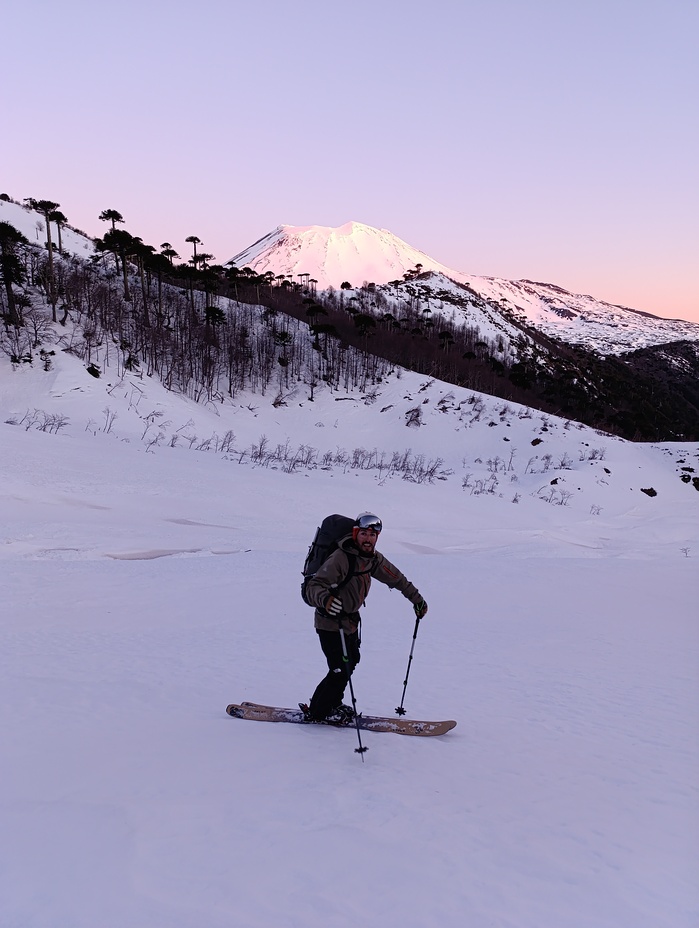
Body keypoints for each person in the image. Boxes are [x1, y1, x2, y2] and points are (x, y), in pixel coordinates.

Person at [301, 512, 428, 723]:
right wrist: (326, 600)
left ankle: (333, 703)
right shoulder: (341, 558)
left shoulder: (372, 559)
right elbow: (314, 586)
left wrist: (416, 600)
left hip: (350, 622)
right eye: (364, 534)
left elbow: (397, 579)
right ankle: (318, 712)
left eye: (373, 534)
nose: (368, 539)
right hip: (330, 623)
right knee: (339, 668)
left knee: (351, 662)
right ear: (355, 534)